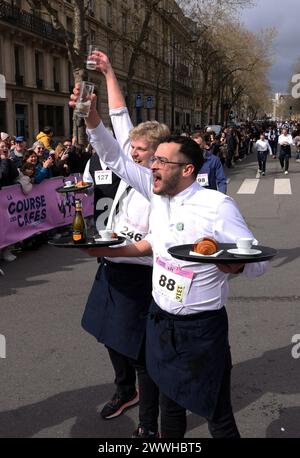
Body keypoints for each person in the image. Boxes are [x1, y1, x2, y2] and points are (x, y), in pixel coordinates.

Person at [69, 69, 268, 439]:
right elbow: (114, 157)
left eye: (162, 162)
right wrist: (91, 116)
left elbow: (258, 262)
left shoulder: (217, 206)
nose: (152, 166)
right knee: (169, 411)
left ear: (188, 170)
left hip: (201, 328)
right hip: (160, 321)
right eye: (153, 160)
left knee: (217, 414)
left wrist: (234, 265)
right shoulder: (156, 192)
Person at [80, 52, 170, 438]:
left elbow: (152, 245)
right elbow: (120, 124)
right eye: (131, 150)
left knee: (143, 358)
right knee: (105, 333)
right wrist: (109, 73)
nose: (132, 154)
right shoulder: (135, 169)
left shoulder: (160, 187)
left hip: (138, 277)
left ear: (159, 155)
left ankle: (149, 425)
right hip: (111, 267)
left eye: (140, 151)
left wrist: (110, 250)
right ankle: (124, 391)